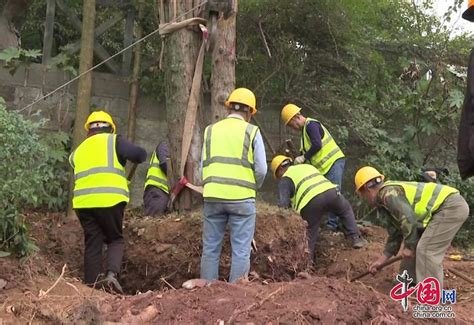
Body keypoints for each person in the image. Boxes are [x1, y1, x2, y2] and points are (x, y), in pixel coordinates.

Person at [69, 110, 147, 293]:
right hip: (110, 200)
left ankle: (92, 288)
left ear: (89, 131)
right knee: (114, 238)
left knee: (93, 242)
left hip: (83, 204)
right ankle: (112, 275)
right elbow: (139, 155)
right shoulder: (114, 141)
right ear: (110, 128)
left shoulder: (77, 151)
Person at [354, 166, 469, 288]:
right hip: (445, 208)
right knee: (414, 240)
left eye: (361, 194)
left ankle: (430, 298)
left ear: (366, 189)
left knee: (426, 250)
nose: (364, 198)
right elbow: (396, 232)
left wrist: (409, 247)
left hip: (450, 206)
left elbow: (408, 219)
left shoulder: (388, 193)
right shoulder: (386, 198)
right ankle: (409, 282)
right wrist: (382, 259)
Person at [200, 87, 267, 283]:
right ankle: (236, 295)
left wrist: (210, 185)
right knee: (241, 249)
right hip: (242, 199)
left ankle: (207, 290)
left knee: (211, 247)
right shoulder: (252, 131)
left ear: (229, 108)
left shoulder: (210, 130)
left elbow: (201, 167)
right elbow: (262, 169)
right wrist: (253, 186)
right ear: (249, 112)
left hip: (212, 196)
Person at [270, 155, 366, 261]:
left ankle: (308, 264)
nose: (278, 178)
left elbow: (284, 205)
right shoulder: (307, 166)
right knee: (345, 210)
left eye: (277, 175)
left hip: (311, 203)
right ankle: (356, 238)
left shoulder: (285, 178)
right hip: (331, 192)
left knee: (310, 233)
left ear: (280, 169)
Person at [280, 104, 345, 231]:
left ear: (295, 117)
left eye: (290, 124)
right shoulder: (305, 133)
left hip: (333, 162)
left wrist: (304, 157)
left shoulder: (311, 125)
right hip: (326, 166)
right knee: (328, 194)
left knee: (335, 193)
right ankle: (331, 223)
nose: (292, 128)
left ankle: (334, 224)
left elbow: (317, 145)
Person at [143, 141, 169, 216]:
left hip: (163, 191)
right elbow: (164, 163)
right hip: (157, 190)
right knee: (154, 221)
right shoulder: (165, 145)